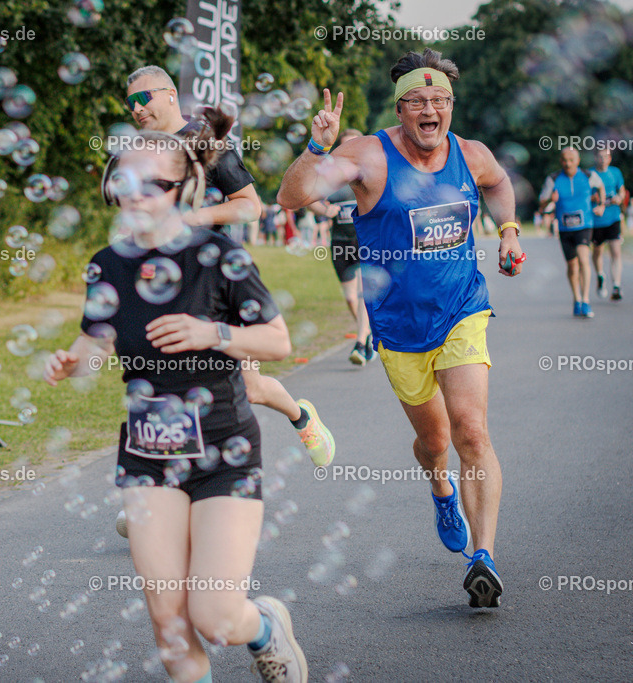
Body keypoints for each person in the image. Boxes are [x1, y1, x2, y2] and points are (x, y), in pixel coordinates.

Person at [50, 109, 309, 683]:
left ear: (185, 188)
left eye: (156, 184)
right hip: (147, 454)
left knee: (214, 617)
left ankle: (263, 625)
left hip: (222, 451)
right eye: (126, 181)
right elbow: (96, 340)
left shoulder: (218, 255)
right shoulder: (107, 266)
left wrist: (212, 333)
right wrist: (71, 362)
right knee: (171, 629)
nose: (138, 195)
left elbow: (278, 340)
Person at [278, 48, 524, 609]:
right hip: (398, 326)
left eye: (441, 101)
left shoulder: (471, 153)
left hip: (463, 308)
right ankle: (441, 486)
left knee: (472, 432)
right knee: (435, 443)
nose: (431, 109)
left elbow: (499, 182)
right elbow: (291, 197)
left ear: (451, 106)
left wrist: (508, 230)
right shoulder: (368, 156)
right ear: (401, 107)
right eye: (419, 100)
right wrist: (319, 146)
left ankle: (483, 557)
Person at [119, 65, 335, 468]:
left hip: (216, 280)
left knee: (249, 387)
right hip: (163, 282)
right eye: (130, 102)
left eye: (143, 97)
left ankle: (301, 417)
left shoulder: (206, 142)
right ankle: (155, 490)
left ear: (169, 95)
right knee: (165, 382)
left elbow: (250, 206)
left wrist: (189, 218)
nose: (136, 108)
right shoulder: (143, 152)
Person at [307, 128, 373, 365]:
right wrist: (326, 210)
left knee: (364, 293)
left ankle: (361, 341)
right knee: (350, 298)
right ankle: (368, 334)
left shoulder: (373, 174)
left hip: (367, 241)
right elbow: (309, 200)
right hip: (340, 243)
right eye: (346, 146)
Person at [538, 148, 605, 317]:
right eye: (564, 160)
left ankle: (586, 301)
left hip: (584, 225)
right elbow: (542, 204)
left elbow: (601, 186)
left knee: (584, 259)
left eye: (571, 160)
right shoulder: (553, 179)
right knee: (572, 266)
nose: (568, 163)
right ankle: (577, 299)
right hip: (564, 228)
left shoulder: (588, 176)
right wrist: (549, 200)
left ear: (578, 160)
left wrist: (601, 205)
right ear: (561, 161)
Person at [590, 148, 625, 301]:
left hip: (613, 218)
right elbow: (584, 195)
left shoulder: (615, 172)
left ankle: (616, 286)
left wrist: (619, 197)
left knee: (616, 251)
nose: (603, 159)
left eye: (606, 157)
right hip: (596, 220)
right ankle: (600, 275)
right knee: (597, 252)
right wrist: (595, 199)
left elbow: (622, 191)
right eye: (600, 157)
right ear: (596, 158)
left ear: (610, 159)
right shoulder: (590, 174)